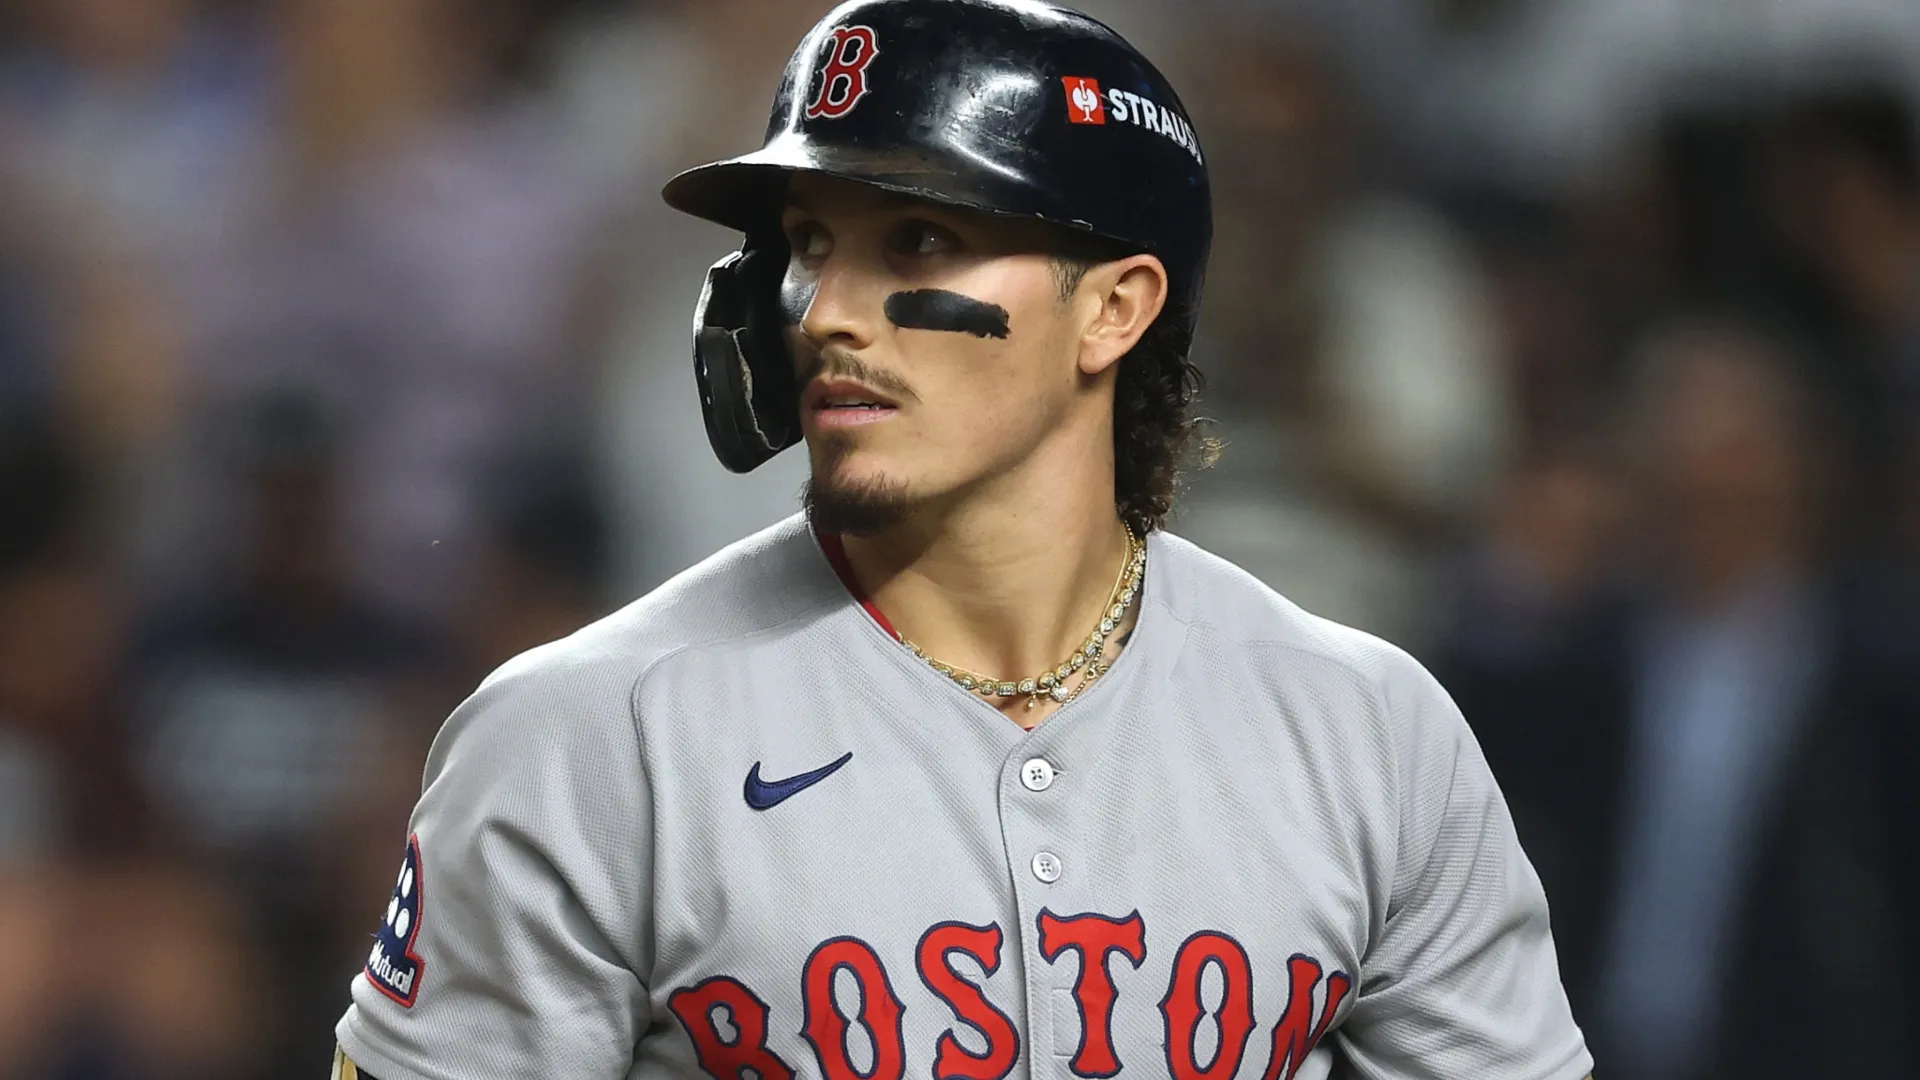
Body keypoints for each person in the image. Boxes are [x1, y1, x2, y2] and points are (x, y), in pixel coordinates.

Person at [330, 2, 1593, 1078]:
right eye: (810, 247)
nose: (827, 311)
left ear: (1114, 308)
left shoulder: (1368, 734)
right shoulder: (587, 739)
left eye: (918, 242)